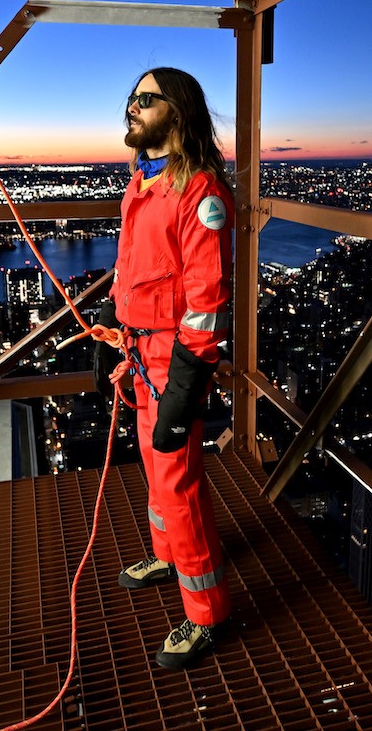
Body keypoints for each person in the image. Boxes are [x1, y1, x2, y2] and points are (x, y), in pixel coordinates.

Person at [92, 66, 234, 671]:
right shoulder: (143, 184)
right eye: (130, 97)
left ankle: (206, 612)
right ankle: (170, 554)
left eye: (145, 100)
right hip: (140, 350)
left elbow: (206, 308)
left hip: (170, 359)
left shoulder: (199, 195)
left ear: (176, 111)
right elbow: (137, 272)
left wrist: (183, 389)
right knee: (155, 470)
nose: (132, 107)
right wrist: (116, 324)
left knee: (178, 482)